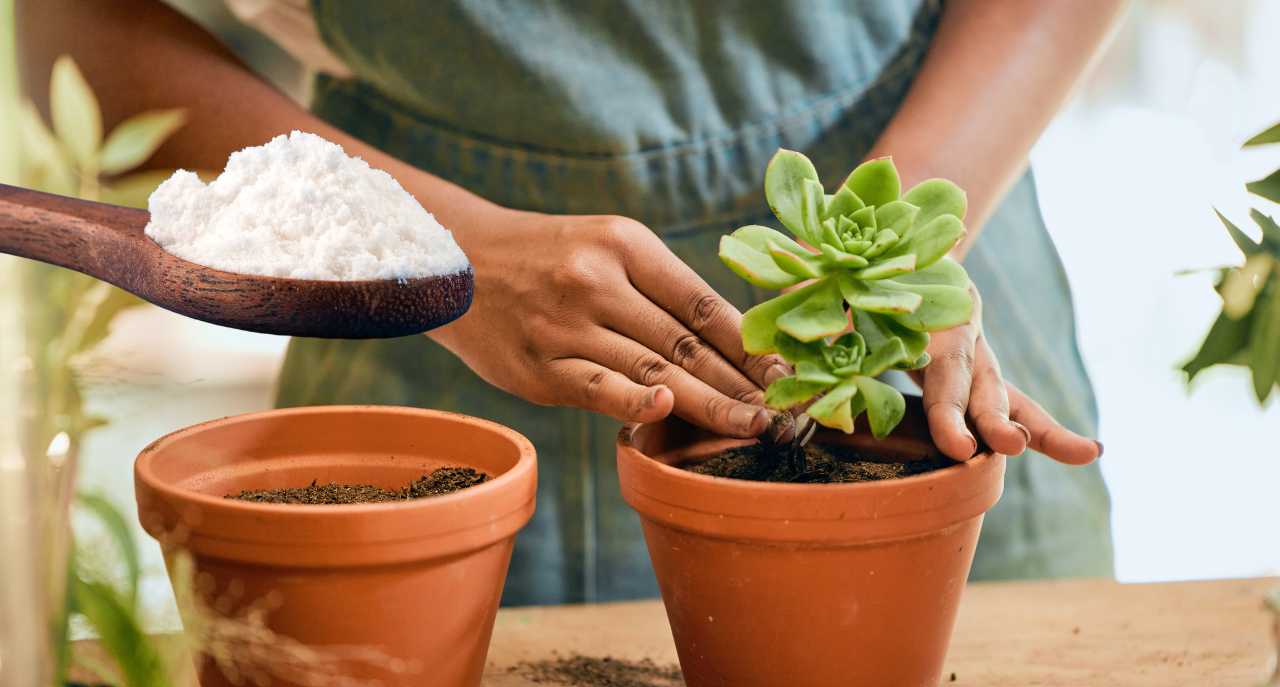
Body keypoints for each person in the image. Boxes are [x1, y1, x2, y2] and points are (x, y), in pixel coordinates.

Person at [20, 0, 1124, 605]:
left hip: (927, 249)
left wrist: (911, 249)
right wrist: (433, 258)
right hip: (417, 300)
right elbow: (68, 24)